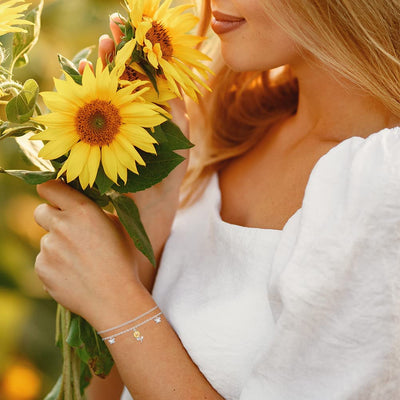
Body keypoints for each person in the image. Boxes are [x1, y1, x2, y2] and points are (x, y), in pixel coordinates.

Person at [33, 0, 400, 398]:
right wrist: (148, 222)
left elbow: (124, 315)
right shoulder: (233, 124)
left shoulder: (382, 182)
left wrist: (117, 299)